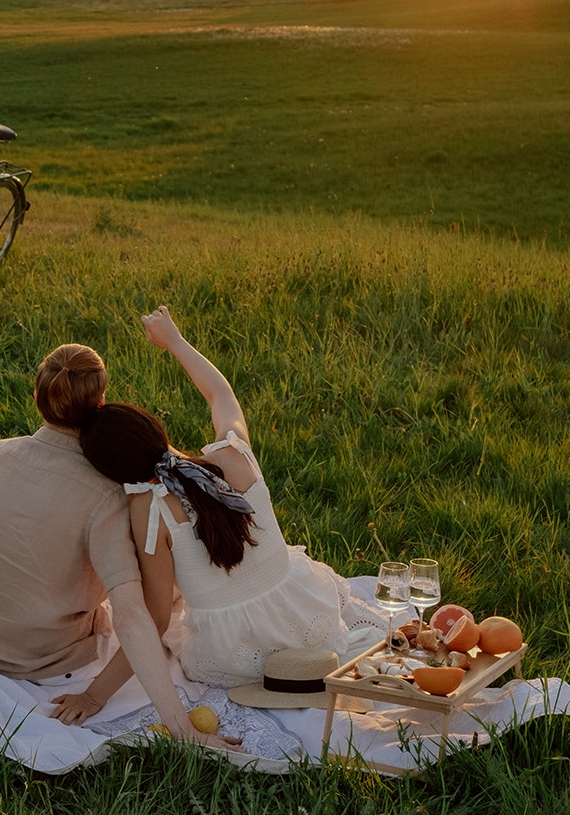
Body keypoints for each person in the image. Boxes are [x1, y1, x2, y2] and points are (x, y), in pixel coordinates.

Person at [73, 306, 395, 716]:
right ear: (157, 429)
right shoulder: (232, 458)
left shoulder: (147, 510)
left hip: (230, 658)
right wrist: (173, 340)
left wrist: (94, 695)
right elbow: (221, 394)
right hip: (309, 625)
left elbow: (152, 620)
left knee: (169, 606)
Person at [0, 341, 241, 746]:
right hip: (49, 663)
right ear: (102, 403)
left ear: (38, 398)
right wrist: (179, 729)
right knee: (170, 595)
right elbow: (132, 615)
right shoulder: (108, 493)